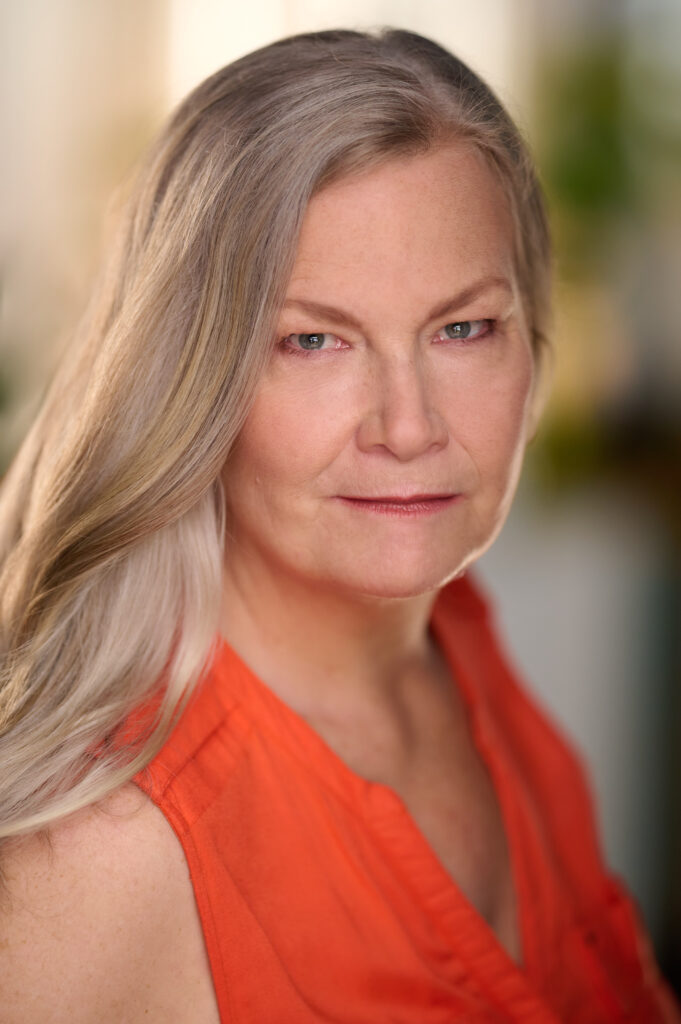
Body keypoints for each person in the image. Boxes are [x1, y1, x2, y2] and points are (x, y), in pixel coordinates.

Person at [0, 27, 678, 1023]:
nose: (409, 426)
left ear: (533, 339)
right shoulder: (100, 854)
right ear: (194, 380)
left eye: (463, 328)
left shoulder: (465, 645)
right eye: (313, 339)